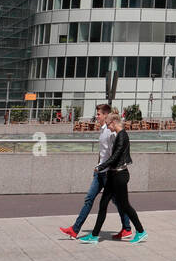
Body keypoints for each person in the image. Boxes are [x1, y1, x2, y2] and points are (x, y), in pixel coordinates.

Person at [60, 103, 132, 240]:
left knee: (118, 201)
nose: (96, 116)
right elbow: (103, 152)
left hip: (107, 173)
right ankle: (75, 230)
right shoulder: (103, 130)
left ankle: (127, 228)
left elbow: (115, 153)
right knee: (90, 199)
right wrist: (98, 166)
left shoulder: (110, 132)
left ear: (106, 115)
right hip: (100, 172)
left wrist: (108, 169)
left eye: (99, 114)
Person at [79, 112, 147, 242]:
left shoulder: (122, 136)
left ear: (114, 122)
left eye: (108, 124)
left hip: (120, 175)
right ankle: (94, 236)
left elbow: (115, 157)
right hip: (112, 174)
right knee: (103, 204)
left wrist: (101, 166)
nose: (108, 127)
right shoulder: (118, 135)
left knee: (125, 205)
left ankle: (140, 231)